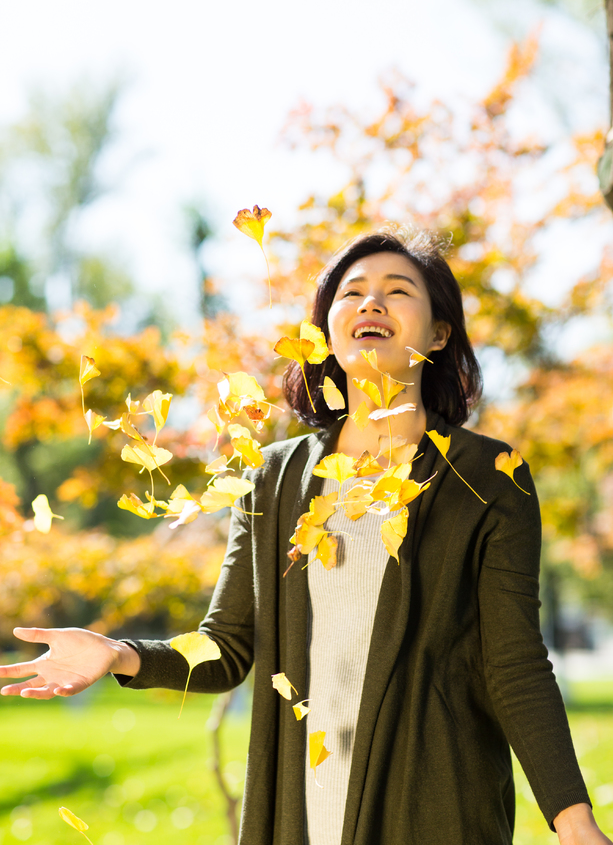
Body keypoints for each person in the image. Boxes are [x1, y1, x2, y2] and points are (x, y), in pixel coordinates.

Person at [0, 230, 610, 845]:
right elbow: (227, 646)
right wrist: (119, 654)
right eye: (352, 294)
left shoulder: (488, 477)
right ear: (327, 329)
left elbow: (514, 665)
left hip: (434, 810)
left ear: (439, 334)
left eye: (397, 292)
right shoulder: (274, 478)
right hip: (298, 817)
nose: (371, 304)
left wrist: (573, 821)